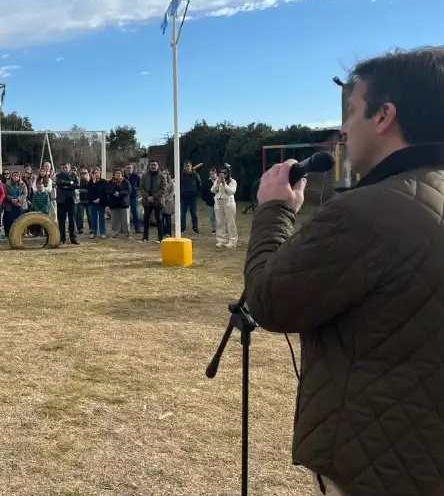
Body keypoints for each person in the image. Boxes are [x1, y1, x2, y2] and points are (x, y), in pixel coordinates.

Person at [245, 48, 444, 496]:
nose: (344, 127)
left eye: (352, 111)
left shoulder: (369, 211)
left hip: (385, 460)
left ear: (385, 116)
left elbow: (269, 300)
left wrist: (275, 211)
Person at [211, 164, 238, 248]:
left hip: (228, 203)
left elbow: (231, 192)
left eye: (225, 173)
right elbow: (212, 190)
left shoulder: (232, 181)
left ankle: (232, 241)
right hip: (218, 203)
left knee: (230, 222)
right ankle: (221, 240)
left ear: (228, 173)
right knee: (219, 222)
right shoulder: (217, 180)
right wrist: (217, 183)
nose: (222, 174)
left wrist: (224, 184)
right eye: (221, 173)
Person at [139, 160, 166, 243]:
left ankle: (160, 238)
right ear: (149, 166)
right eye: (151, 165)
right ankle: (145, 238)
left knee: (159, 219)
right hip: (147, 201)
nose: (153, 166)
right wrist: (147, 197)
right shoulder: (144, 175)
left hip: (157, 201)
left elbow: (163, 189)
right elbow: (141, 188)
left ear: (158, 166)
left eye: (155, 165)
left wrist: (154, 197)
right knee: (146, 219)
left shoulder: (162, 176)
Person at [54, 163, 79, 245]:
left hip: (71, 200)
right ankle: (62, 238)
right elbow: (59, 184)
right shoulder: (58, 176)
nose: (65, 169)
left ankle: (73, 238)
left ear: (69, 168)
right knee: (61, 221)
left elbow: (77, 185)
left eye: (66, 167)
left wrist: (67, 185)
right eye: (63, 167)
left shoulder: (74, 175)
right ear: (61, 168)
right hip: (61, 201)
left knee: (72, 220)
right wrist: (70, 183)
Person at [107, 168, 132, 238]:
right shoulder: (110, 182)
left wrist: (120, 193)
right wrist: (114, 193)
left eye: (119, 173)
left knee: (126, 221)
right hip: (114, 204)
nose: (118, 174)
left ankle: (127, 234)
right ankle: (115, 234)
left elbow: (129, 191)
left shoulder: (126, 181)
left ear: (122, 174)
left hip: (124, 203)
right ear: (114, 174)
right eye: (116, 173)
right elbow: (108, 190)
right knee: (115, 221)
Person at [178, 161, 201, 234]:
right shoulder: (181, 175)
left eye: (188, 166)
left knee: (193, 213)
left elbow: (199, 184)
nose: (187, 167)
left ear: (191, 166)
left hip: (192, 197)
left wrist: (196, 192)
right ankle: (182, 229)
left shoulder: (195, 175)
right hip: (184, 196)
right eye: (186, 166)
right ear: (184, 167)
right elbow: (178, 185)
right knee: (183, 213)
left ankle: (195, 228)